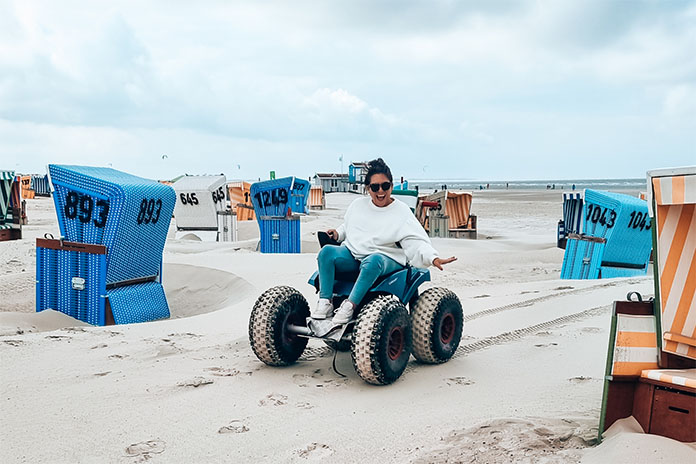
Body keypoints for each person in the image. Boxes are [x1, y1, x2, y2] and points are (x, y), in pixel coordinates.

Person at [311, 158, 457, 324]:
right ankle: (325, 301)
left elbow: (415, 240)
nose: (380, 191)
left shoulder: (401, 211)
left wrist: (432, 258)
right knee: (326, 252)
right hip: (356, 254)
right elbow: (349, 226)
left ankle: (349, 306)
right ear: (368, 189)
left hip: (387, 257)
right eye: (375, 187)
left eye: (385, 186)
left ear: (391, 186)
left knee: (373, 260)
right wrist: (337, 234)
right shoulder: (358, 205)